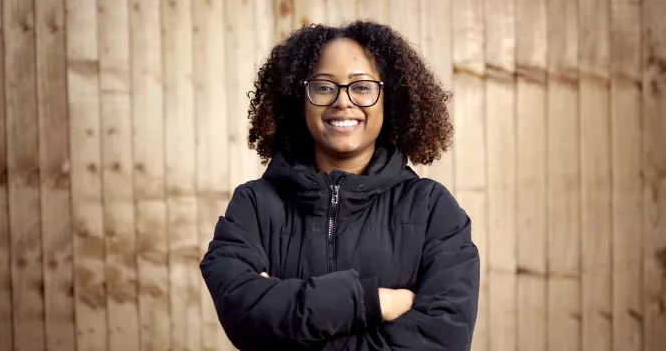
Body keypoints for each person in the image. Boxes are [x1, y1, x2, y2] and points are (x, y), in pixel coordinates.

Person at [200, 21, 480, 350]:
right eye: (323, 86)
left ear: (389, 99)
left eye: (362, 86)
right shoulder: (254, 206)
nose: (342, 101)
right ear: (299, 100)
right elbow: (242, 313)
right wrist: (370, 302)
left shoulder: (433, 209)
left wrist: (288, 320)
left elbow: (443, 340)